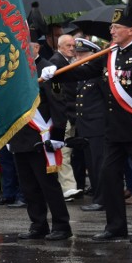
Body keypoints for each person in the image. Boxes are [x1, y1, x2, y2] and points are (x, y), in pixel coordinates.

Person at [41, 0, 132, 242]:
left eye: (117, 27)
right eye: (112, 26)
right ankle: (115, 226)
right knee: (109, 178)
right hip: (113, 130)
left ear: (131, 31)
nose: (111, 30)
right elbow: (86, 71)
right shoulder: (110, 53)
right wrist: (56, 74)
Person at [11, 38, 72, 241]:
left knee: (48, 185)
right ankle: (38, 225)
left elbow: (58, 104)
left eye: (25, 45)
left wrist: (57, 136)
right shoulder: (16, 69)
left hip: (41, 136)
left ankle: (61, 226)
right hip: (20, 137)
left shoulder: (47, 69)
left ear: (36, 47)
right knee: (28, 186)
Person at [71, 38, 108, 212]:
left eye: (83, 54)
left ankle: (102, 199)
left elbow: (107, 101)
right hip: (86, 127)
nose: (78, 57)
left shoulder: (99, 76)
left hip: (98, 127)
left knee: (99, 164)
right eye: (77, 54)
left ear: (93, 55)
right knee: (91, 164)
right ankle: (97, 195)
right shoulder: (83, 76)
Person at [48, 34, 83, 201]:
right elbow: (60, 93)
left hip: (70, 113)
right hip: (64, 114)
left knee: (68, 151)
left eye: (73, 45)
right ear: (59, 46)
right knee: (64, 151)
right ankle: (68, 187)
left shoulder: (66, 62)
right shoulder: (57, 62)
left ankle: (67, 186)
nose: (72, 48)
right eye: (68, 45)